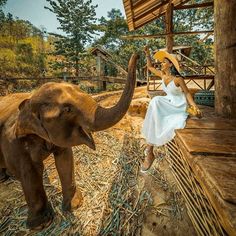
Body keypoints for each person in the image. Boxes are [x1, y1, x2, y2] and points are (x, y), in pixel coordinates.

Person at [141, 46, 201, 172]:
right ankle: (150, 151)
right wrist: (147, 54)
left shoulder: (178, 79)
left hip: (178, 105)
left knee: (156, 101)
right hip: (168, 102)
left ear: (170, 64)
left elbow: (187, 93)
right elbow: (150, 67)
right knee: (156, 101)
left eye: (163, 62)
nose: (161, 64)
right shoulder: (162, 75)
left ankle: (149, 151)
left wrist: (194, 106)